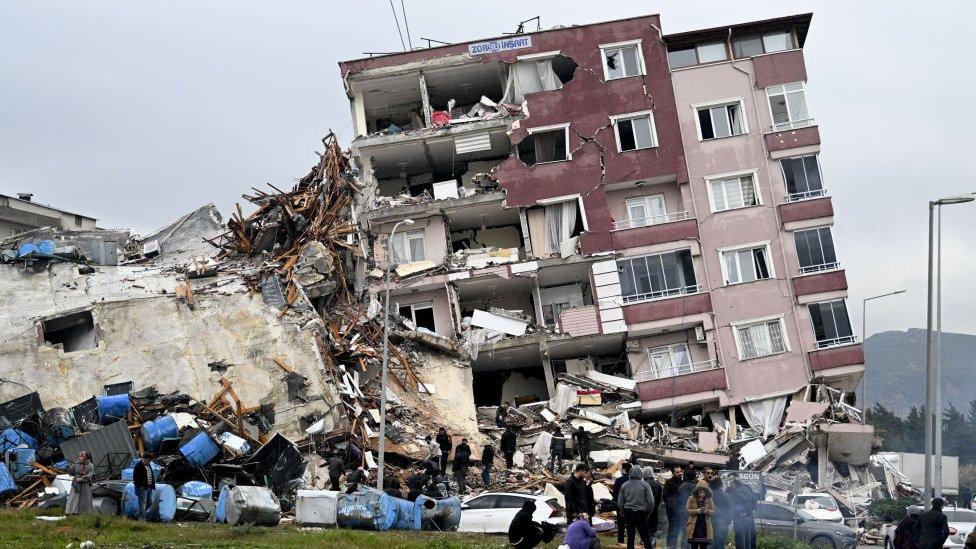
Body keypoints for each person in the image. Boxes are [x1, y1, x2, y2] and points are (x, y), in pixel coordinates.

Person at [617, 463, 654, 549]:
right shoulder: (645, 485)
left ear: (630, 473)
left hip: (628, 513)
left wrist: (622, 511)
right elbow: (651, 501)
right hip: (641, 513)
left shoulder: (624, 485)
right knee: (645, 537)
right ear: (640, 474)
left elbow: (620, 502)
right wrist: (649, 512)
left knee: (630, 537)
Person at [726, 473, 757, 549]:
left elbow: (730, 505)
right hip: (749, 517)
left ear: (737, 478)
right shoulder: (747, 487)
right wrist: (751, 511)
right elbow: (755, 499)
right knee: (748, 539)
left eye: (731, 479)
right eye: (729, 479)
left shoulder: (731, 489)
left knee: (740, 539)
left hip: (739, 518)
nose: (730, 481)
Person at [705, 468, 731, 549]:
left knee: (710, 545)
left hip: (710, 524)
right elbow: (730, 511)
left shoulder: (708, 496)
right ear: (720, 485)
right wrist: (727, 523)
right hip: (723, 525)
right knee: (720, 544)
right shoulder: (727, 496)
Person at [686, 483, 715, 549]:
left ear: (706, 492)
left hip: (705, 525)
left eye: (703, 492)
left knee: (704, 545)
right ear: (697, 492)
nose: (702, 494)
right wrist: (697, 511)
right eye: (700, 492)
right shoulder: (691, 498)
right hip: (694, 524)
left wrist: (707, 511)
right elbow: (688, 509)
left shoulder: (709, 499)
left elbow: (712, 510)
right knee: (694, 545)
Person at [65, 451, 94, 515]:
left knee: (84, 498)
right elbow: (72, 472)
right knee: (73, 497)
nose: (79, 457)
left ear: (85, 457)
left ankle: (83, 513)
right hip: (76, 484)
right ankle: (72, 512)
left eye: (81, 456)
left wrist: (81, 479)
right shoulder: (77, 463)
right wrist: (70, 470)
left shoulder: (90, 466)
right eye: (79, 456)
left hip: (85, 485)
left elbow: (89, 476)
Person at [612, 461, 633, 546]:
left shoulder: (619, 480)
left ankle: (620, 543)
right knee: (630, 526)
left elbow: (615, 494)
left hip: (620, 506)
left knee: (620, 526)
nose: (620, 469)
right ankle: (630, 544)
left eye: (621, 468)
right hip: (631, 506)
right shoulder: (633, 480)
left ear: (624, 469)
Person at [664, 465, 684, 549]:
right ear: (673, 473)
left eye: (680, 471)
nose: (680, 473)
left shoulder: (683, 483)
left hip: (681, 509)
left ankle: (674, 545)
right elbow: (665, 496)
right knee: (672, 527)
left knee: (679, 527)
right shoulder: (669, 482)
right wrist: (670, 505)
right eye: (677, 472)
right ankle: (670, 545)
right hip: (672, 510)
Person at [643, 465, 664, 547]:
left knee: (645, 529)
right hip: (655, 510)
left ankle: (646, 544)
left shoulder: (643, 484)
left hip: (644, 509)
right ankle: (653, 544)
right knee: (653, 528)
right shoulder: (658, 485)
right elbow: (659, 500)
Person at [676, 469, 698, 548]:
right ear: (694, 477)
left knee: (684, 532)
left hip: (682, 512)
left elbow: (678, 500)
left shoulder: (681, 487)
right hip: (692, 513)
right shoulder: (696, 488)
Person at [132, 455, 155, 520]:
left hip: (149, 487)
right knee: (142, 503)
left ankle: (138, 514)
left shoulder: (148, 465)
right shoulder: (138, 466)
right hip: (142, 488)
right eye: (148, 460)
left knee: (149, 502)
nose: (150, 462)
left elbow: (150, 476)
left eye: (150, 461)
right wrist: (140, 486)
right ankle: (142, 519)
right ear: (144, 459)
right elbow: (135, 478)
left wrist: (152, 485)